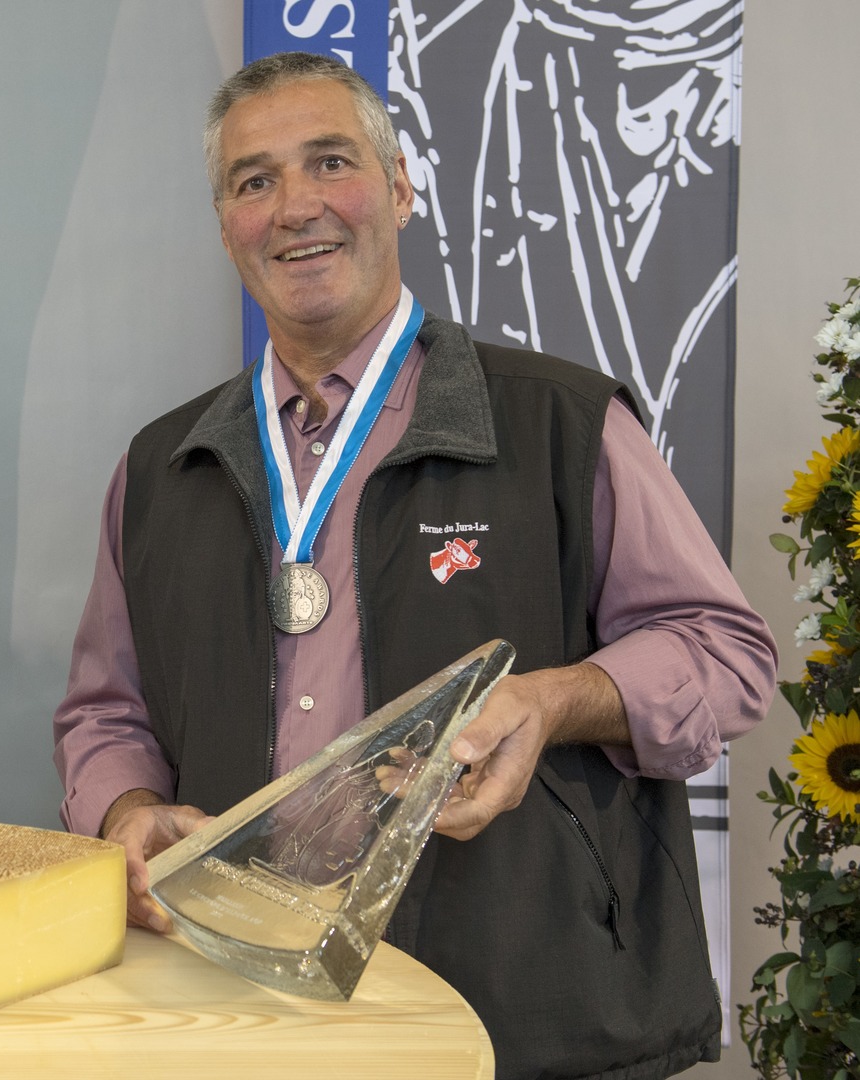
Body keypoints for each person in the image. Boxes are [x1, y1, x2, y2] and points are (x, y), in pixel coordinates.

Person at [52, 52, 776, 1080]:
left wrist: (554, 701)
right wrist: (125, 812)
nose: (295, 207)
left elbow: (726, 653)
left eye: (330, 162)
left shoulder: (559, 422)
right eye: (255, 181)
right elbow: (105, 714)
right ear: (226, 226)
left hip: (522, 1015)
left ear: (398, 188)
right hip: (239, 1013)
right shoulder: (162, 468)